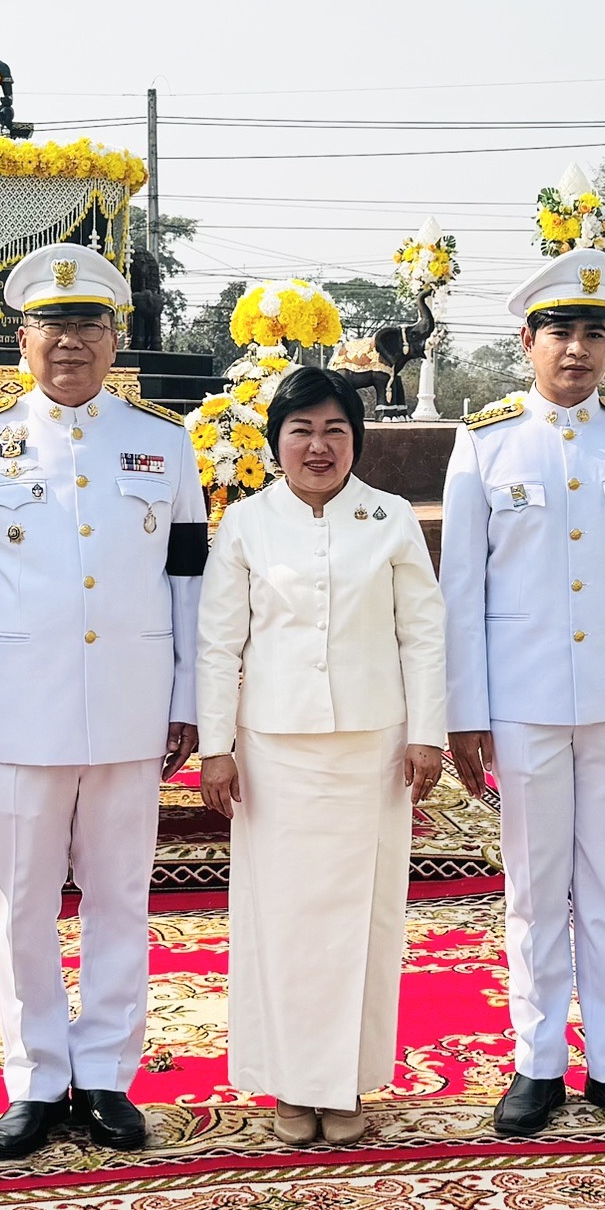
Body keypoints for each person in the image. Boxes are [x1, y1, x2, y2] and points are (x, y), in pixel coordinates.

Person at [0, 241, 208, 1160]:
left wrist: (188, 698)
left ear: (115, 338)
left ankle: (109, 1075)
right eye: (52, 325)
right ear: (23, 340)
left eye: (88, 323)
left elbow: (187, 581)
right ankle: (37, 1077)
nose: (71, 341)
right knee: (22, 901)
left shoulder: (164, 442)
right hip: (21, 710)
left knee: (122, 895)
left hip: (132, 705)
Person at [440, 247, 605, 1138]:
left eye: (594, 333)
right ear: (528, 343)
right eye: (560, 332)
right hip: (523, 701)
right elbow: (461, 590)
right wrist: (464, 712)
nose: (577, 349)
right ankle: (538, 1061)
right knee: (535, 886)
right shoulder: (484, 444)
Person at [196, 365, 444, 1146]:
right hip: (273, 752)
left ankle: (346, 1083)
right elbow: (218, 644)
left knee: (361, 919)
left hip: (373, 749)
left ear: (355, 440)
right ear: (277, 440)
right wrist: (215, 747)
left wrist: (427, 732)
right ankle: (291, 1082)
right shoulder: (246, 523)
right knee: (282, 919)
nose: (318, 445)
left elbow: (423, 634)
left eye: (335, 429)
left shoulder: (391, 517)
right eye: (301, 430)